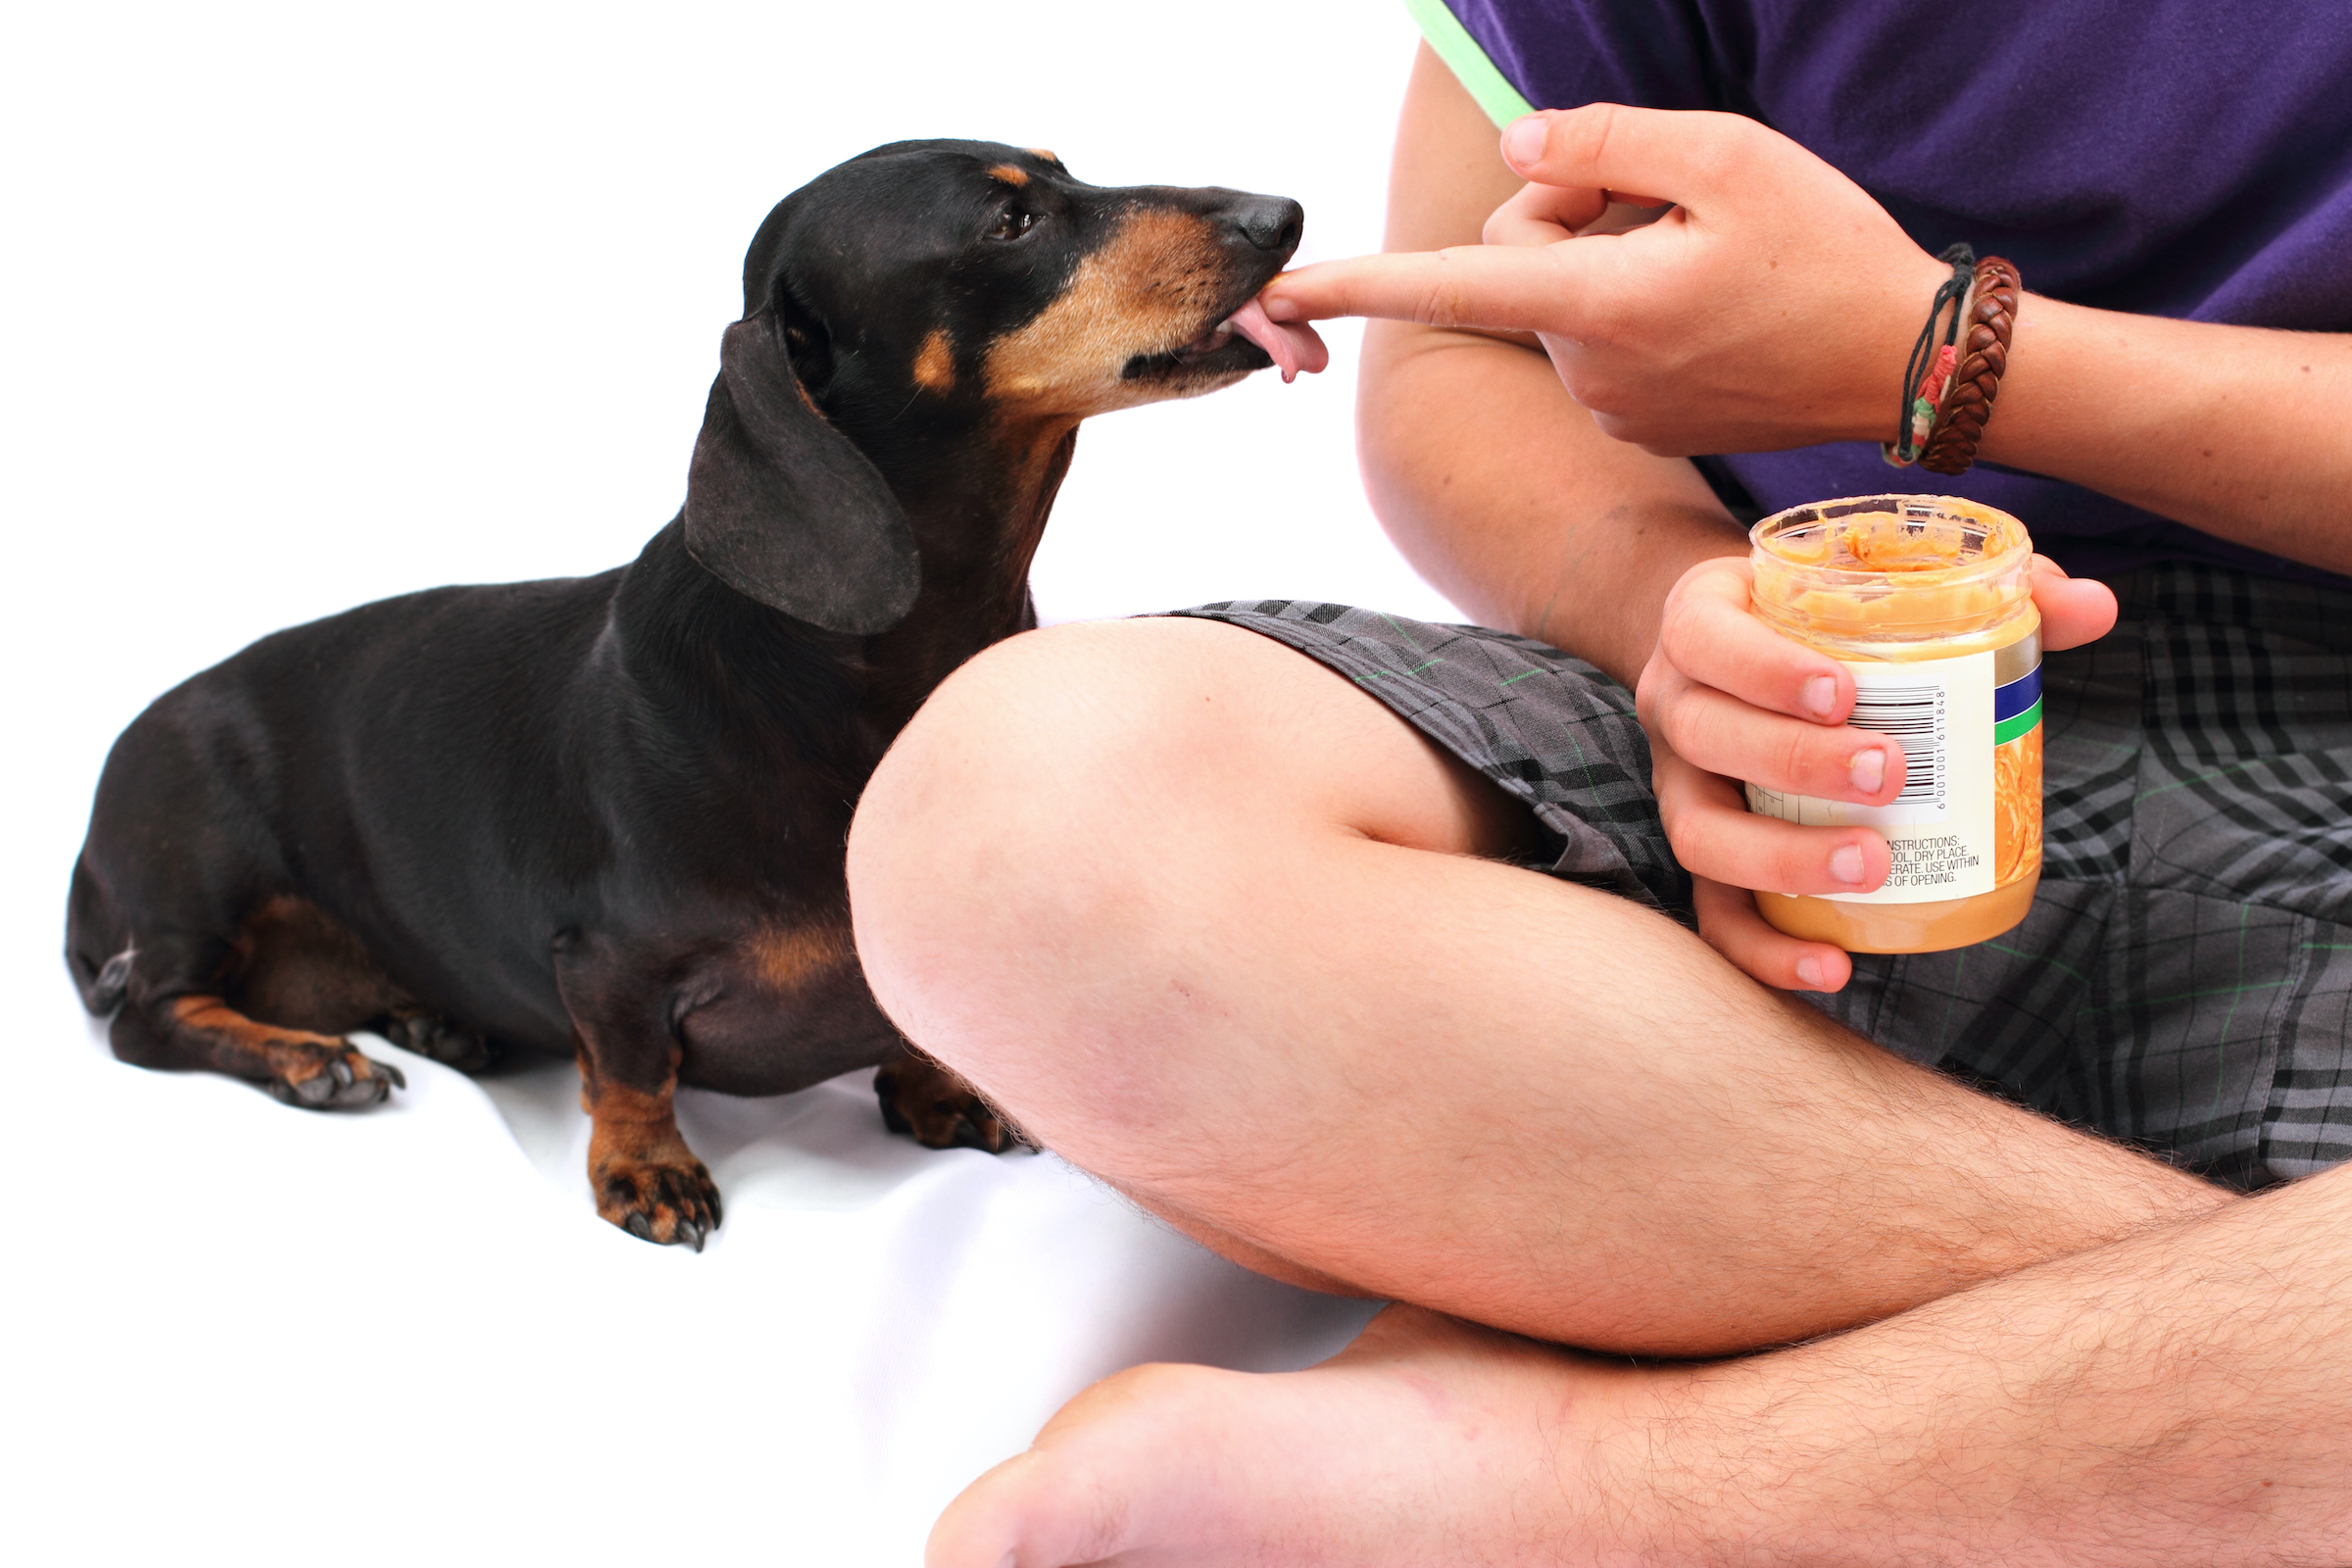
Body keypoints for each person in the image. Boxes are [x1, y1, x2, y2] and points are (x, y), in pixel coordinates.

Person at [847, 2, 2352, 1559]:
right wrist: (1685, 632)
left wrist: (1954, 355)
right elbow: (1464, 351)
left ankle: (1576, 1478)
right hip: (1795, 689)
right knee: (1009, 835)